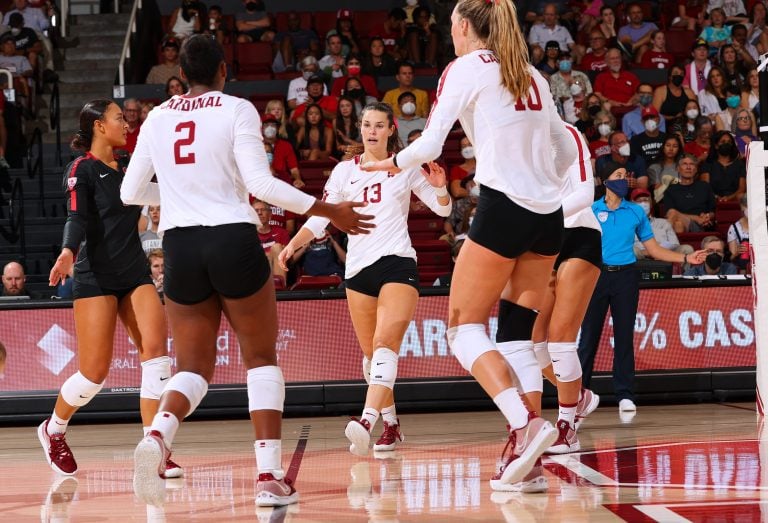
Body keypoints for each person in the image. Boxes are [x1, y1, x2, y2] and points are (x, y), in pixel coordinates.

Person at [120, 35, 373, 508]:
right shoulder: (236, 108)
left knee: (192, 368)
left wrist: (178, 196)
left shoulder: (157, 117)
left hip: (180, 245)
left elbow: (130, 193)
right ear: (221, 70)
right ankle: (268, 476)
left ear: (182, 74)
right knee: (260, 358)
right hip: (231, 237)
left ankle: (157, 436)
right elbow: (260, 183)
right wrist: (328, 210)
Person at [359, 0, 577, 491]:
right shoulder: (532, 74)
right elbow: (565, 150)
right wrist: (542, 181)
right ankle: (530, 465)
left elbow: (431, 144)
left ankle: (525, 425)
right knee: (519, 334)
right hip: (550, 216)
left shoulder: (464, 68)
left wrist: (390, 164)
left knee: (462, 328)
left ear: (459, 27)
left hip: (506, 209)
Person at [279, 102, 452, 456]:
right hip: (357, 271)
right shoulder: (343, 172)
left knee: (387, 344)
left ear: (391, 130)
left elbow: (443, 210)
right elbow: (320, 219)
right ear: (360, 128)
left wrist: (441, 188)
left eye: (378, 125)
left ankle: (365, 421)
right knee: (372, 358)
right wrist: (292, 245)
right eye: (366, 124)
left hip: (397, 263)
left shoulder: (405, 167)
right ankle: (391, 423)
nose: (371, 130)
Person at [40, 99, 180, 479]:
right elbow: (76, 217)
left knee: (157, 355)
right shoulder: (80, 169)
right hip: (96, 278)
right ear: (99, 126)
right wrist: (68, 251)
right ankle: (53, 429)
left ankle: (155, 447)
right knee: (94, 375)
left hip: (134, 273)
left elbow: (167, 184)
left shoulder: (131, 165)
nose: (127, 123)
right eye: (119, 118)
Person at [578, 161, 706, 414]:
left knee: (624, 336)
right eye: (618, 175)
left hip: (626, 276)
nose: (623, 179)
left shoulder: (635, 211)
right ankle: (579, 394)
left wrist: (685, 258)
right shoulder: (590, 211)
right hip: (596, 277)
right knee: (588, 338)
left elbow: (655, 249)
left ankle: (624, 394)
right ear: (605, 181)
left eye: (625, 176)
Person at [517, 123, 603, 466]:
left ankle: (567, 425)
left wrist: (541, 222)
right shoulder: (514, 141)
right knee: (534, 343)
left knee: (561, 340)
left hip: (578, 234)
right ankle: (578, 397)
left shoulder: (566, 134)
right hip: (542, 245)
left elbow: (585, 194)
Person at [631, 188, 693, 260]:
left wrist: (660, 252)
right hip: (642, 257)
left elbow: (675, 244)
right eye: (639, 201)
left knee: (686, 249)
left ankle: (685, 271)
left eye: (645, 200)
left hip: (665, 255)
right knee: (632, 251)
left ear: (651, 203)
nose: (643, 203)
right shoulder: (627, 224)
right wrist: (648, 252)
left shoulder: (664, 223)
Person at [664, 153, 717, 233]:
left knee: (674, 215)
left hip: (701, 225)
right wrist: (696, 218)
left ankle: (662, 240)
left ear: (696, 169)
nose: (688, 167)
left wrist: (707, 216)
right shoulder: (671, 189)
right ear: (678, 168)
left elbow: (713, 212)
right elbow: (669, 214)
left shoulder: (705, 187)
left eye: (692, 164)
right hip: (683, 224)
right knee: (678, 224)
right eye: (685, 164)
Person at [699, 130, 746, 202]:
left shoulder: (739, 164)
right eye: (723, 142)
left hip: (735, 200)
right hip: (713, 200)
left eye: (729, 142)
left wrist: (728, 198)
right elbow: (706, 188)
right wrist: (717, 198)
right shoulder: (708, 164)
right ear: (716, 146)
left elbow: (741, 189)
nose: (726, 144)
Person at [727, 194, 750, 271]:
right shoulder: (734, 228)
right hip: (743, 265)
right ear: (742, 207)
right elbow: (731, 257)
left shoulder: (763, 225)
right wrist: (737, 252)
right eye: (747, 206)